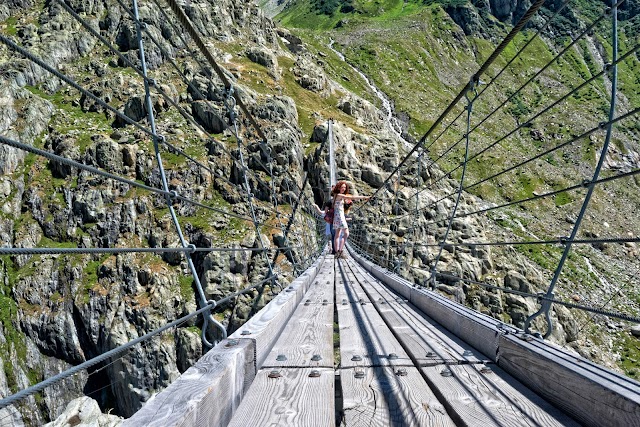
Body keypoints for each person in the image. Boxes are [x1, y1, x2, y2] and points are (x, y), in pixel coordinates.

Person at [331, 180, 369, 258]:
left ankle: (337, 252)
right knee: (346, 233)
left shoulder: (335, 195)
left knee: (337, 235)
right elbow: (351, 197)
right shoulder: (339, 195)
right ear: (339, 187)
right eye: (342, 187)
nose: (343, 189)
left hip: (337, 216)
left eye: (345, 187)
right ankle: (340, 251)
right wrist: (364, 197)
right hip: (340, 217)